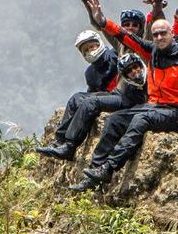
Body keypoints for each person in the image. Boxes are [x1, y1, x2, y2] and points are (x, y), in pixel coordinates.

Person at [69, 0, 178, 191]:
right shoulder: (153, 53)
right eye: (156, 34)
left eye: (162, 34)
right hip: (154, 106)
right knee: (115, 120)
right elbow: (125, 36)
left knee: (141, 120)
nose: (158, 38)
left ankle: (109, 167)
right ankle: (94, 173)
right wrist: (103, 22)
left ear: (172, 34)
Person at [36, 31, 144, 160]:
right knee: (76, 99)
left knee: (90, 102)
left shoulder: (115, 55)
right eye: (85, 50)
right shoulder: (90, 73)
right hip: (110, 97)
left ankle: (70, 145)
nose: (90, 51)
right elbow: (92, 92)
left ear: (99, 43)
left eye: (92, 46)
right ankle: (59, 141)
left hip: (126, 96)